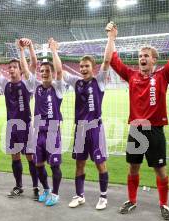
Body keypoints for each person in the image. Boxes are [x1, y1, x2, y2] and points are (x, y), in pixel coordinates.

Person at [110, 18, 169, 220]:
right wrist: (111, 38)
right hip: (136, 130)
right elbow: (113, 60)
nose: (142, 58)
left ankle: (164, 204)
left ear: (154, 60)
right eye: (140, 56)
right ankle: (132, 200)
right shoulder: (131, 75)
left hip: (155, 130)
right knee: (133, 167)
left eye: (146, 56)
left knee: (160, 169)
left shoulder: (162, 76)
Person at [51, 22, 116, 210]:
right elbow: (59, 71)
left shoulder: (99, 81)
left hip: (95, 128)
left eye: (86, 66)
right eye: (81, 66)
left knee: (100, 163)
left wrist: (111, 38)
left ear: (93, 67)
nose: (83, 69)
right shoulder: (76, 82)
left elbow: (107, 61)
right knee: (79, 164)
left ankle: (103, 197)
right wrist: (54, 51)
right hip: (80, 129)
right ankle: (79, 195)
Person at [0, 36, 39, 199]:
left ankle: (36, 187)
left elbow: (34, 64)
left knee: (30, 157)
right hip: (12, 126)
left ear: (21, 70)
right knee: (15, 157)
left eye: (15, 67)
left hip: (26, 125)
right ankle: (19, 186)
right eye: (10, 67)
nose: (12, 69)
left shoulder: (28, 83)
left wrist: (28, 48)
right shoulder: (5, 84)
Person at [27, 40, 66, 207]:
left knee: (54, 165)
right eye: (41, 71)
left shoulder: (58, 87)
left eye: (47, 71)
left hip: (52, 133)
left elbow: (59, 71)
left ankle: (56, 194)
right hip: (38, 134)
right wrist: (26, 49)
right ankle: (46, 190)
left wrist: (54, 51)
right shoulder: (36, 87)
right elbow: (27, 71)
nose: (44, 73)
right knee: (38, 164)